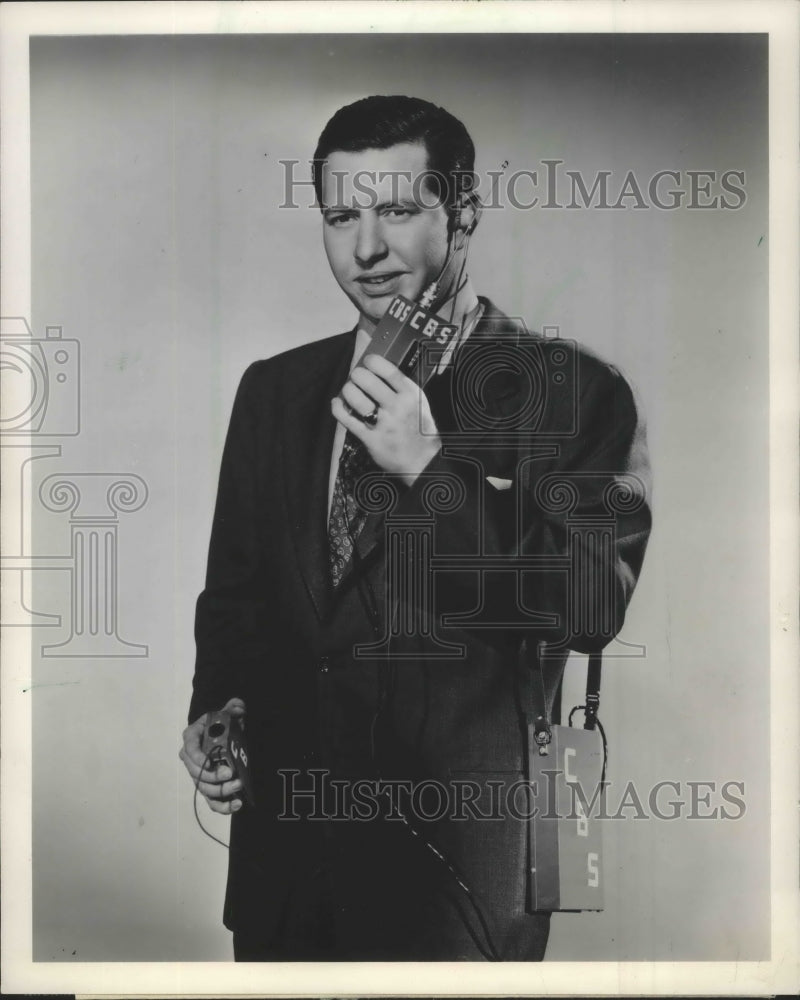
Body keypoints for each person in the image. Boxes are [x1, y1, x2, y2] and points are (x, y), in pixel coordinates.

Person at [179, 95, 652, 961]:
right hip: (284, 873)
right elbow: (238, 599)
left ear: (463, 213)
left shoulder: (578, 391)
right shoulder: (275, 390)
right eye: (341, 217)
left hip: (456, 888)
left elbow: (590, 609)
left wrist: (431, 468)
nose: (365, 249)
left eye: (396, 211)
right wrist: (218, 710)